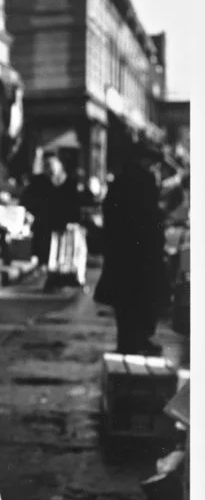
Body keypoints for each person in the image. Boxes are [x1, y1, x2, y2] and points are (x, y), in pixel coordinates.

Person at [94, 137, 168, 355]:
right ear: (145, 160)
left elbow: (110, 214)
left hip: (122, 252)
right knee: (143, 298)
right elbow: (150, 217)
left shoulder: (120, 180)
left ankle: (128, 342)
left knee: (126, 302)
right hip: (141, 252)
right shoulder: (144, 180)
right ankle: (139, 341)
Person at [21, 150, 82, 266]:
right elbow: (26, 201)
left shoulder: (71, 184)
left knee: (63, 263)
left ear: (60, 164)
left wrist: (74, 222)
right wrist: (28, 214)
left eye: (50, 165)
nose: (48, 169)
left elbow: (76, 209)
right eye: (45, 166)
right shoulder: (38, 182)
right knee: (44, 262)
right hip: (43, 232)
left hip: (63, 231)